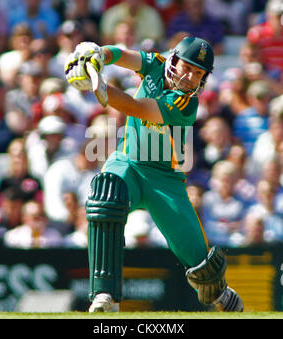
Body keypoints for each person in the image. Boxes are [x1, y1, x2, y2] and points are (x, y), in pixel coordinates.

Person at [64, 36, 244, 312]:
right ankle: (104, 295)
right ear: (174, 59)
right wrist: (98, 54)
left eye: (198, 73)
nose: (190, 76)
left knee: (201, 263)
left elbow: (136, 108)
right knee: (106, 193)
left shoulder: (187, 104)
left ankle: (217, 290)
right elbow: (122, 55)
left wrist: (97, 84)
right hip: (129, 162)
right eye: (187, 67)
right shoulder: (157, 63)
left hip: (165, 179)